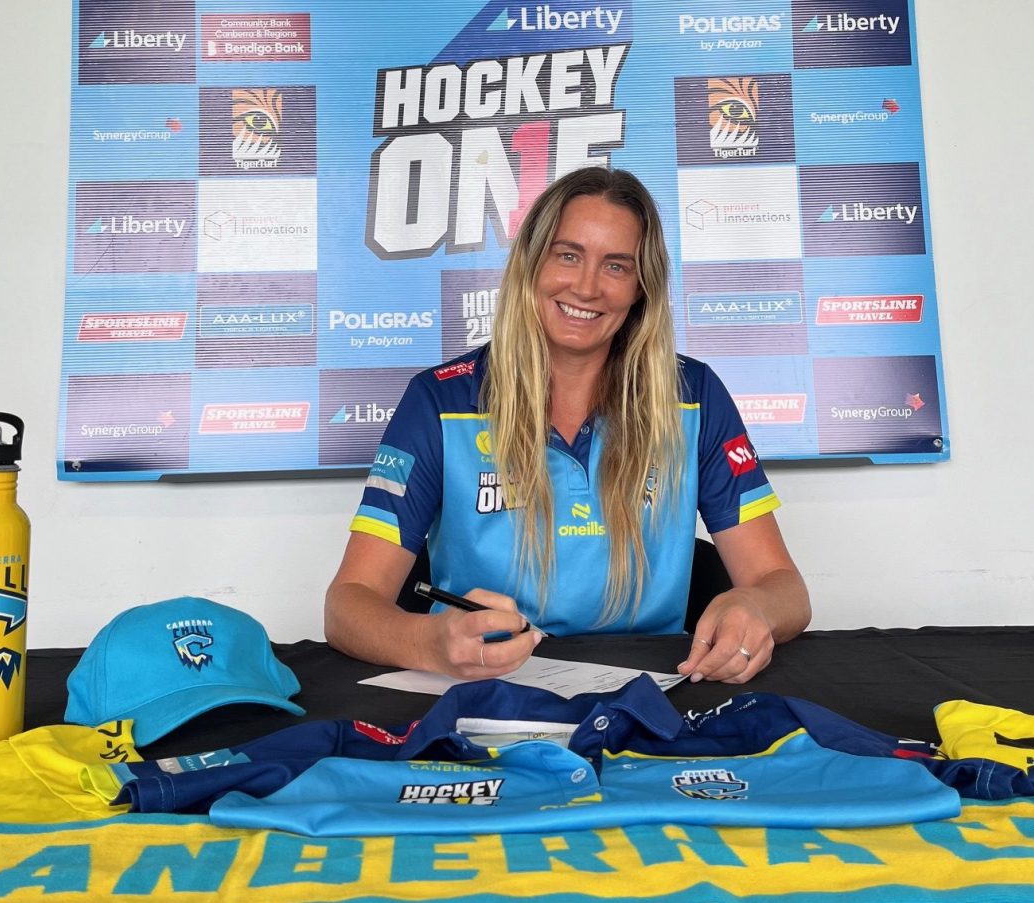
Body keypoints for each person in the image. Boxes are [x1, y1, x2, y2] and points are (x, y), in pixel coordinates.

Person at [324, 166, 809, 684]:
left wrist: (756, 607)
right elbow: (347, 607)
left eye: (617, 266)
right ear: (532, 262)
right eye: (568, 255)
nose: (586, 286)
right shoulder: (440, 398)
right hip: (487, 689)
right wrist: (429, 642)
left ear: (642, 287)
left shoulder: (695, 396)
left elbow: (784, 587)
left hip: (654, 687)